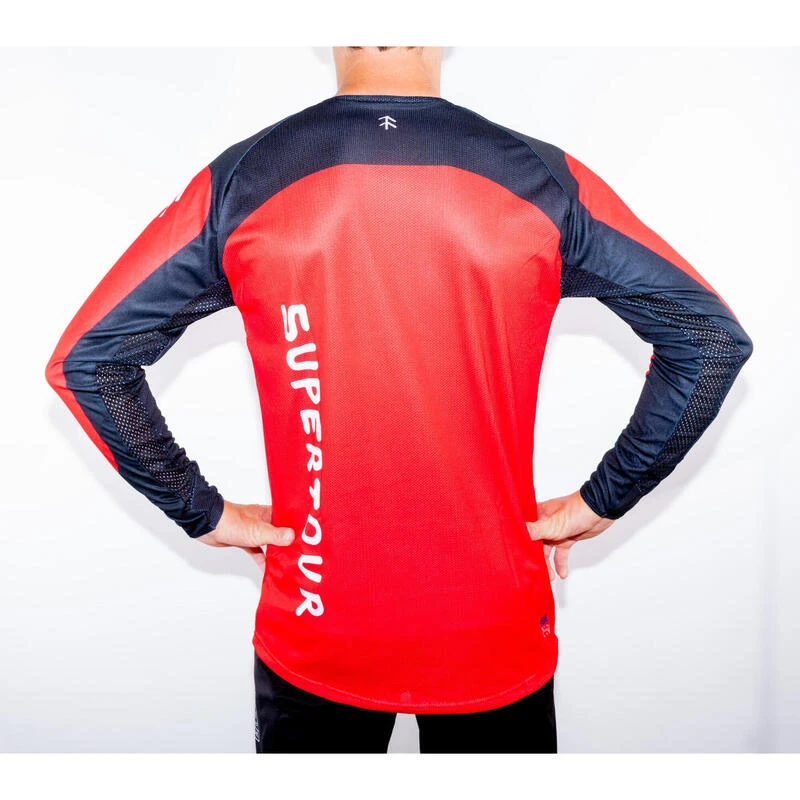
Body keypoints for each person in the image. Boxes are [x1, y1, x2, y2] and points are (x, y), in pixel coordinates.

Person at [44, 46, 753, 754]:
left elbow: (90, 361)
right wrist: (603, 501)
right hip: (491, 627)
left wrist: (201, 512)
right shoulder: (540, 179)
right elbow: (710, 341)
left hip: (319, 620)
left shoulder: (246, 180)